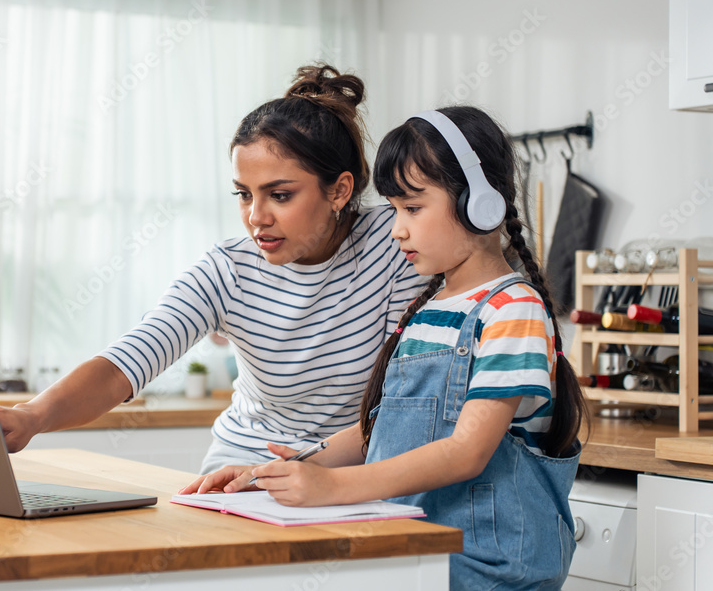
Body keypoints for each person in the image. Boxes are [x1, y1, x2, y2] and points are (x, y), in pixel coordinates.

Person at [181, 106, 589, 589]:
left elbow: (466, 453)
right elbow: (381, 429)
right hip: (421, 550)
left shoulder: (513, 309)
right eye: (394, 209)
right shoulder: (429, 307)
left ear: (480, 204)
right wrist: (277, 471)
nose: (397, 229)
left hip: (486, 563)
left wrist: (333, 486)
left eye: (413, 208)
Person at [0, 64, 425, 473]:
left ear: (340, 190)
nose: (256, 216)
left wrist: (307, 471)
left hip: (356, 469)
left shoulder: (397, 243)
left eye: (279, 195)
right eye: (243, 194)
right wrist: (32, 416)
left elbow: (398, 399)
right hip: (243, 464)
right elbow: (123, 365)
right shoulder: (229, 269)